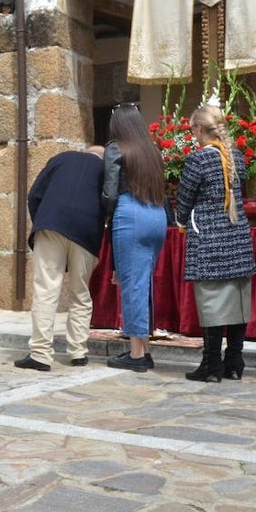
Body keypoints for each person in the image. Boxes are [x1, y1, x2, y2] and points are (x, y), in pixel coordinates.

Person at [176, 105, 256, 382]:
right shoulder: (237, 156)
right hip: (237, 236)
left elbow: (184, 200)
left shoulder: (197, 160)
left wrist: (181, 221)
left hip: (209, 238)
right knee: (238, 300)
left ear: (199, 129)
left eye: (192, 129)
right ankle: (234, 361)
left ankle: (211, 365)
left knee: (211, 301)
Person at [14, 147, 106, 372]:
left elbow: (34, 194)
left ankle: (41, 354)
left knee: (46, 288)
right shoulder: (105, 168)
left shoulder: (61, 158)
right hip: (87, 231)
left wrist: (42, 222)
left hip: (52, 223)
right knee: (81, 292)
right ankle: (78, 351)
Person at [101, 103, 167, 373]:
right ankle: (145, 349)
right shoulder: (152, 151)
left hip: (131, 215)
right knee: (144, 283)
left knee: (133, 285)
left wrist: (103, 215)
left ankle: (137, 354)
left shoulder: (116, 148)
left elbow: (110, 192)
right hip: (157, 213)